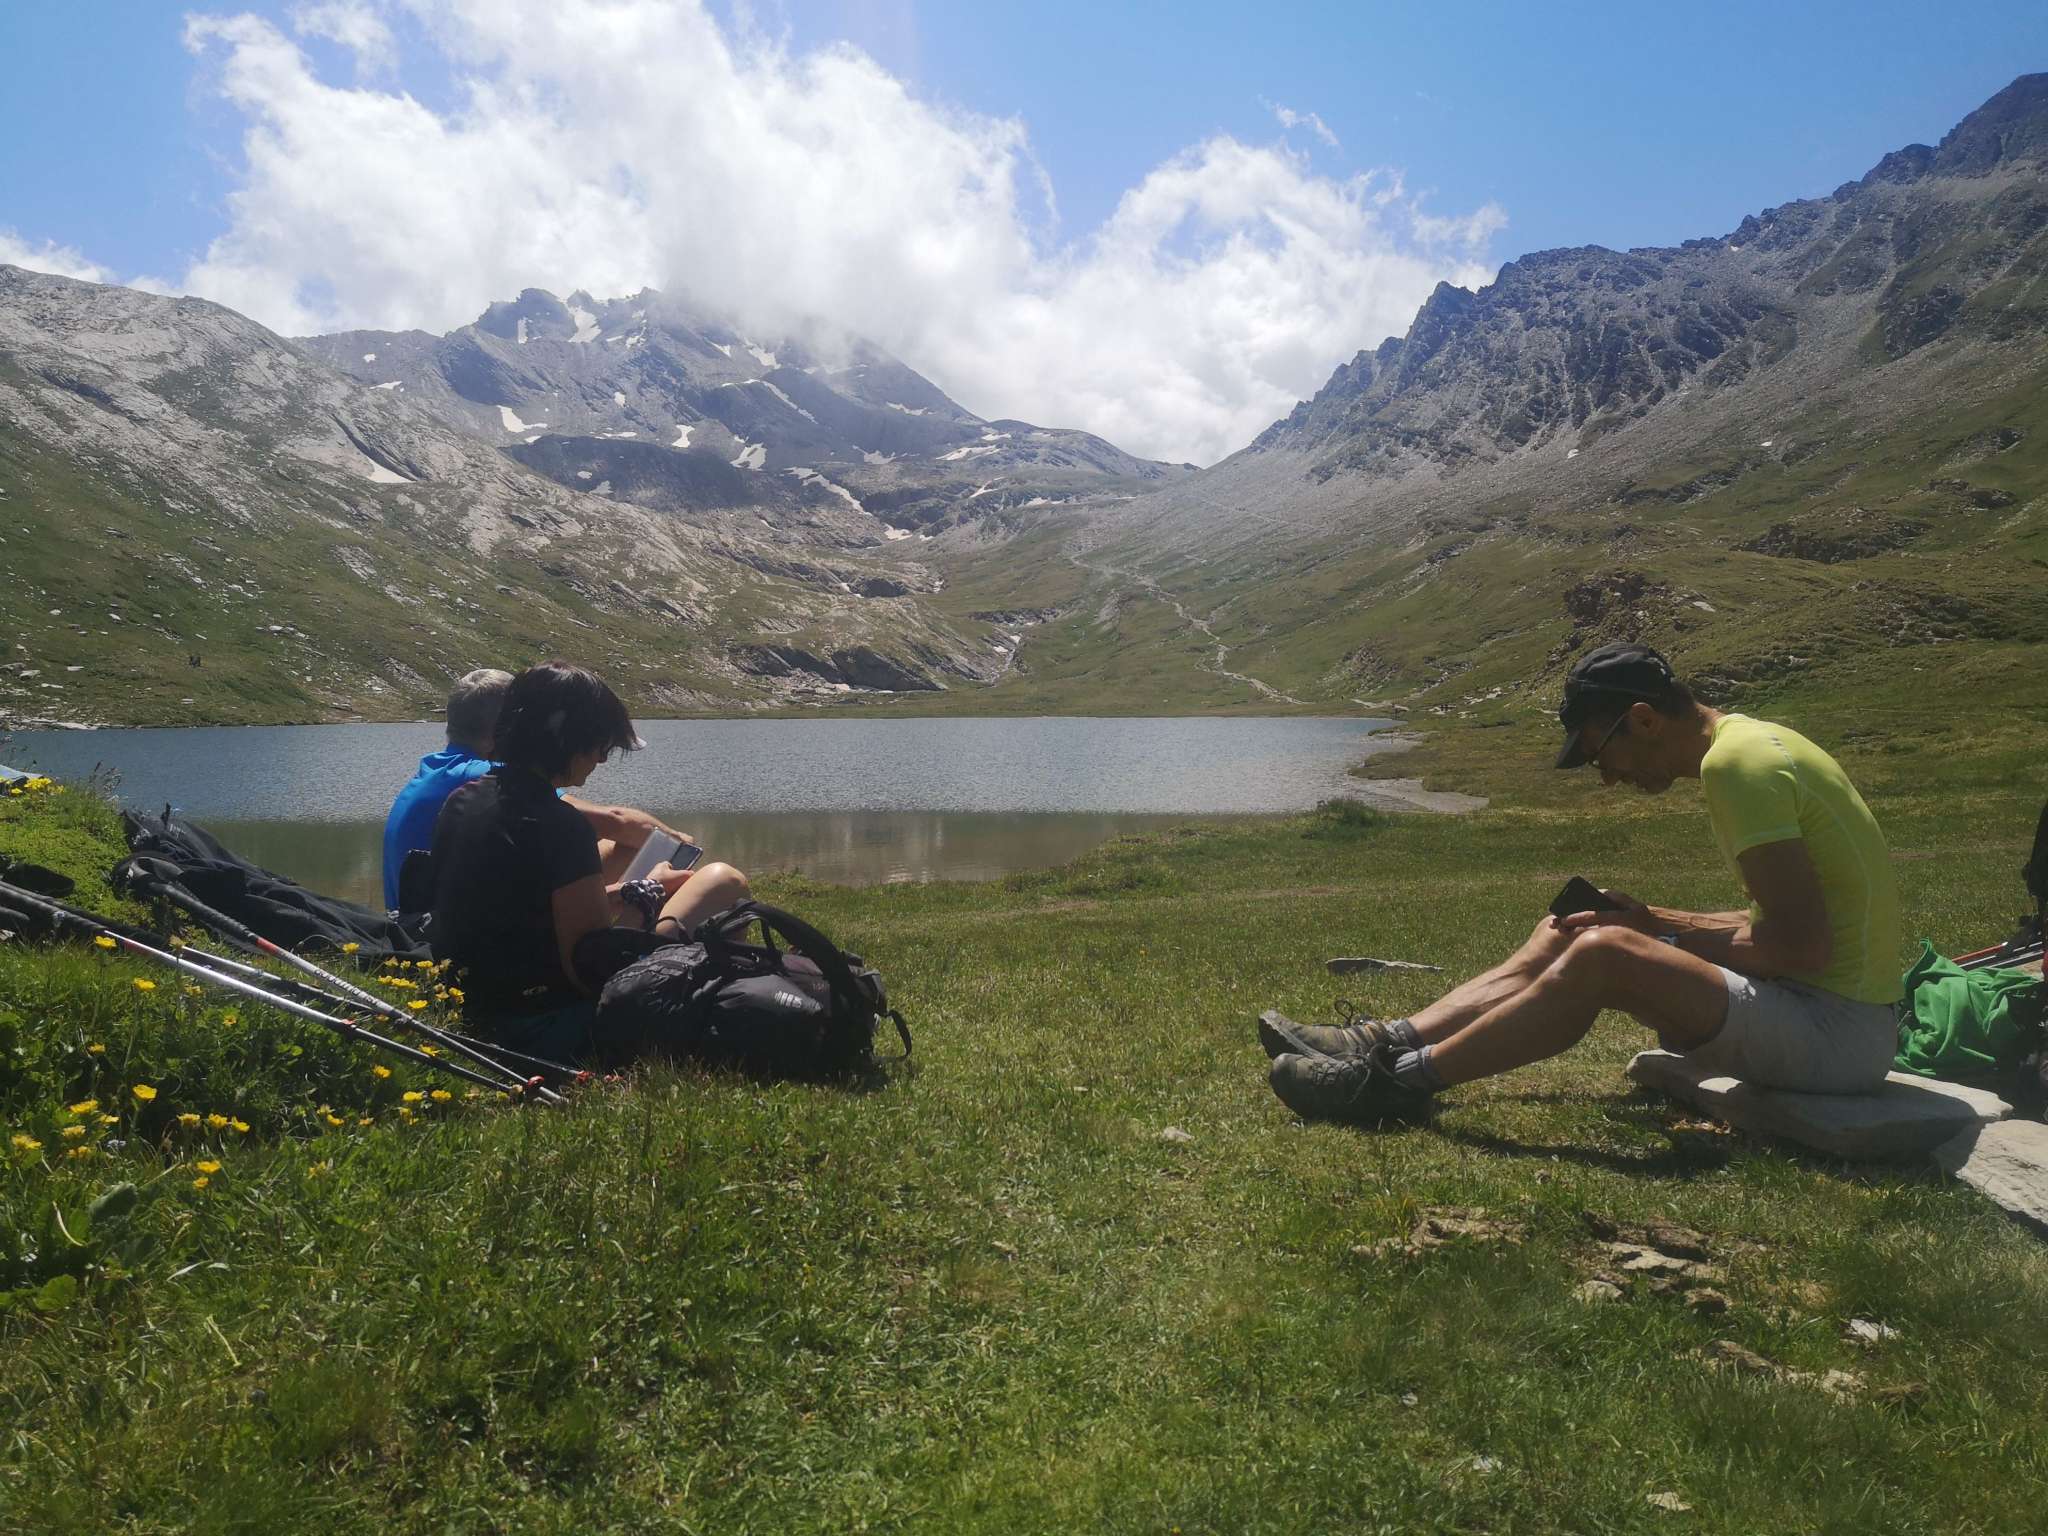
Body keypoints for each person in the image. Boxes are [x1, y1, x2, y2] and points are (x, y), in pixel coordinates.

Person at [1259, 641, 1902, 1124]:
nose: (1607, 777)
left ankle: (1393, 1083)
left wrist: (1650, 938)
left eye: (1600, 753)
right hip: (1820, 1012)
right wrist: (1651, 921)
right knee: (1569, 931)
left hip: (1838, 1037)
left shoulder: (1737, 767)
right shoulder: (1756, 745)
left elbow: (1800, 948)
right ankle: (1380, 1039)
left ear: (1643, 720)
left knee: (1604, 953)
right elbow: (1785, 924)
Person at [427, 661, 751, 1062]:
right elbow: (592, 973)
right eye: (600, 745)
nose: (601, 759)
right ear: (566, 740)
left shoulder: (462, 800)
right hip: (545, 1026)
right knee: (722, 880)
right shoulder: (561, 825)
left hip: (469, 1004)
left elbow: (524, 907)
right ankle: (732, 999)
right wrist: (648, 892)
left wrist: (623, 892)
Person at [382, 667, 694, 911]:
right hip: (440, 936)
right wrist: (681, 845)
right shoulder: (486, 778)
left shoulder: (436, 770)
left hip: (424, 922)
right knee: (635, 846)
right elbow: (616, 821)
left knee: (605, 848)